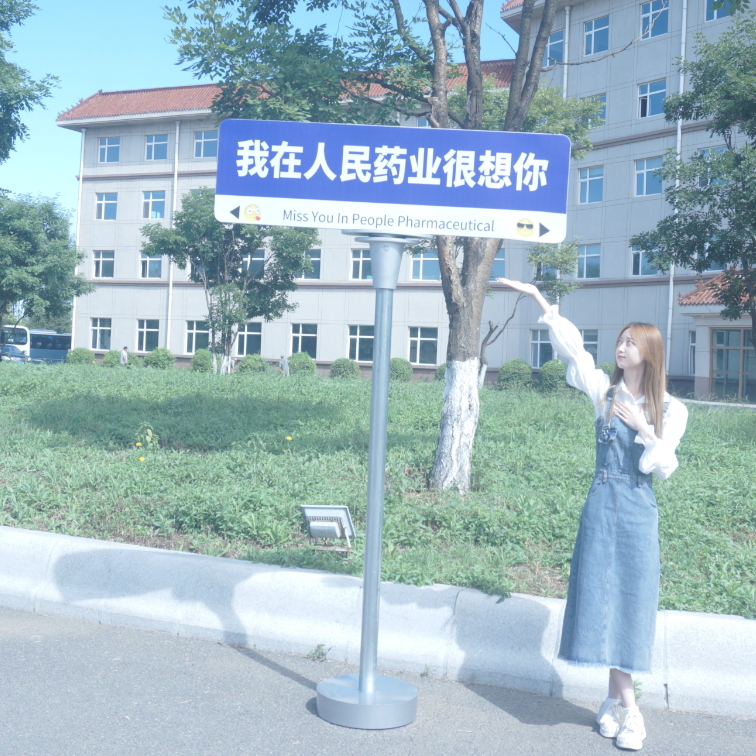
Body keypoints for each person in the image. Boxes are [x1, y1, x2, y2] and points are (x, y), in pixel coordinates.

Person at [498, 278, 688, 752]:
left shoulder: (671, 408)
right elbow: (575, 352)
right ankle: (628, 710)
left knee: (631, 601)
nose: (621, 348)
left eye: (630, 343)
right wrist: (540, 300)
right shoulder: (603, 392)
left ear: (649, 353)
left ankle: (619, 706)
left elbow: (665, 467)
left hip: (640, 509)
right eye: (620, 341)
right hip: (601, 504)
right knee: (602, 599)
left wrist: (644, 427)